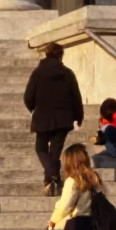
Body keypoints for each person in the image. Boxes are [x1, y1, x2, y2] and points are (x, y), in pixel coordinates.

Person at [23, 42, 84, 195]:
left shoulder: (38, 73)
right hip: (63, 118)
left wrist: (33, 108)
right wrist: (78, 116)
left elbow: (28, 96)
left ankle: (52, 177)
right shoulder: (67, 73)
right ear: (60, 55)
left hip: (43, 116)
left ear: (46, 54)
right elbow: (76, 97)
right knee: (55, 152)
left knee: (40, 148)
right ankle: (51, 181)